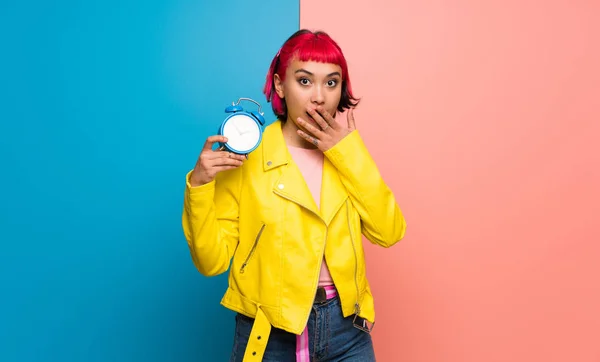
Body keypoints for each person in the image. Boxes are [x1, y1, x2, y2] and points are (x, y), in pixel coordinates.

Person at [182, 29, 407, 362]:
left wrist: (347, 153)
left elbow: (389, 232)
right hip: (267, 332)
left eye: (331, 83)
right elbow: (211, 261)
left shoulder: (347, 155)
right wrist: (200, 186)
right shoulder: (246, 156)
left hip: (346, 328)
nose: (319, 96)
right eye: (304, 81)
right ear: (278, 85)